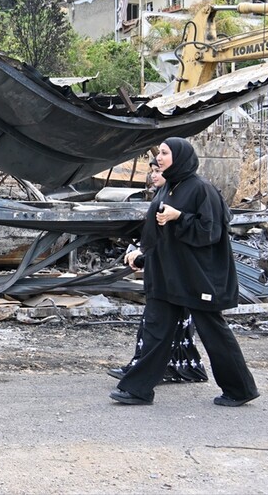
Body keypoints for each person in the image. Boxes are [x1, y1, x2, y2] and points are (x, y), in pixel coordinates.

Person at [109, 137, 259, 407]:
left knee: (214, 333)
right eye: (159, 154)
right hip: (167, 277)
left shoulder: (202, 190)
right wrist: (142, 257)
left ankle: (240, 389)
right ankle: (137, 389)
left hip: (196, 278)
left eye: (165, 153)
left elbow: (210, 232)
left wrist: (181, 218)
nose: (159, 158)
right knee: (155, 332)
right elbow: (162, 237)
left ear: (181, 157)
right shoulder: (168, 189)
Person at [109, 160, 208, 384]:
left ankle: (148, 374)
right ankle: (158, 369)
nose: (154, 175)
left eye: (159, 171)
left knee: (163, 325)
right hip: (165, 272)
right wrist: (141, 255)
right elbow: (156, 238)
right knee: (160, 325)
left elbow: (174, 240)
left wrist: (144, 257)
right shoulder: (165, 194)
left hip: (178, 274)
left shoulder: (186, 196)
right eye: (152, 171)